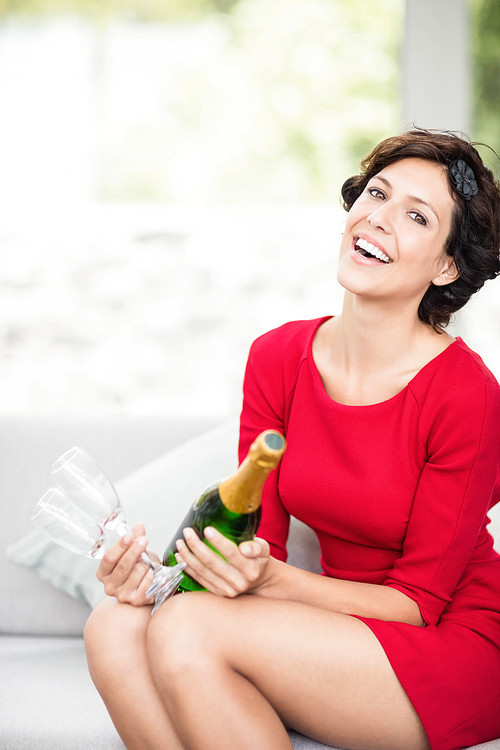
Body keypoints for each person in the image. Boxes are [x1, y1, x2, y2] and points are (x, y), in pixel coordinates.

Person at [84, 129, 500, 750]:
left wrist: (271, 584)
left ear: (446, 266)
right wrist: (157, 580)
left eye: (415, 216)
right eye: (377, 194)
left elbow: (418, 603)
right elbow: (258, 541)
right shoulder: (278, 357)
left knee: (190, 628)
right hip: (329, 627)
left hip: (451, 641)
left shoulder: (468, 395)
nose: (379, 219)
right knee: (113, 626)